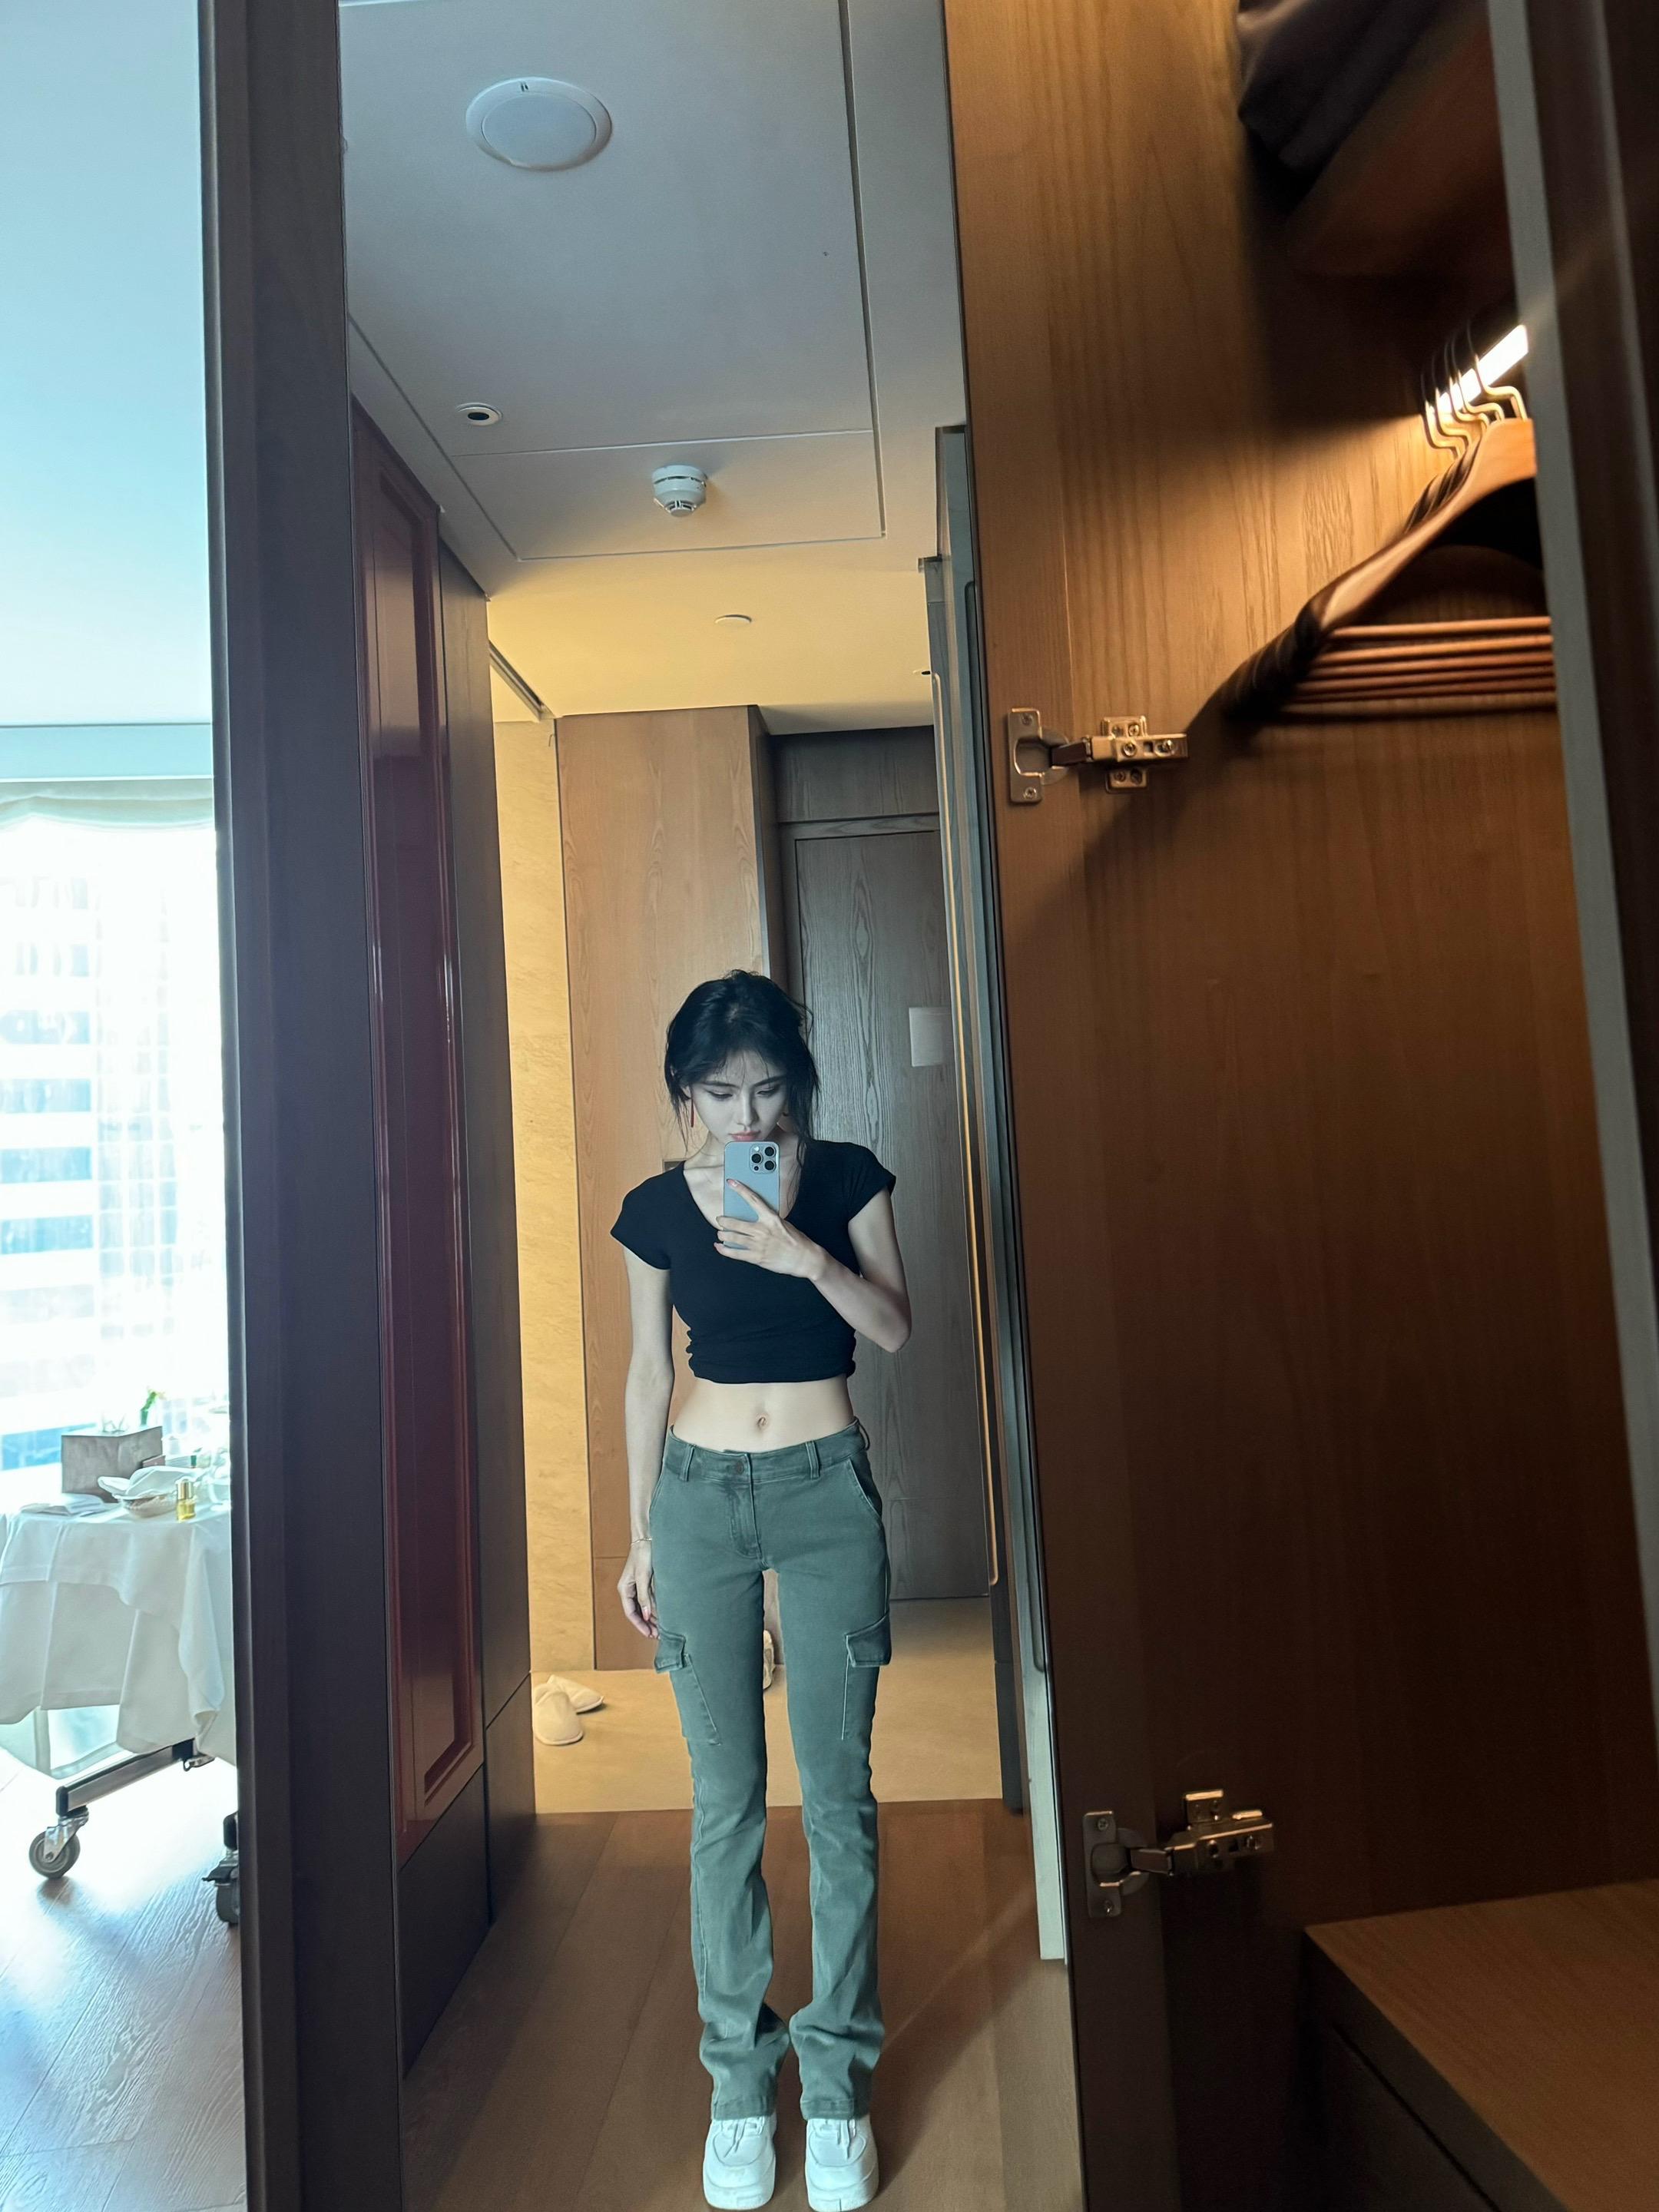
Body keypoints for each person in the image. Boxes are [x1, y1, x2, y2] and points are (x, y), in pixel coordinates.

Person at [611, 971, 911, 2212]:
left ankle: (836, 2087)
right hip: (698, 1496)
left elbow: (893, 1328)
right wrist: (639, 1535)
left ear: (799, 1084)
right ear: (686, 1093)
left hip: (824, 1487)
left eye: (770, 1090)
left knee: (838, 1799)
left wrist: (803, 1255)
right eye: (722, 1093)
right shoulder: (653, 1210)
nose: (749, 1117)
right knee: (724, 1803)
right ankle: (740, 2083)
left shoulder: (846, 1179)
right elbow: (647, 1375)